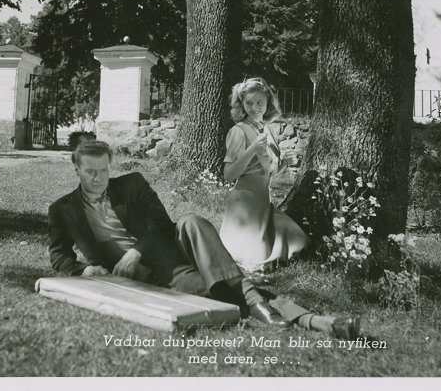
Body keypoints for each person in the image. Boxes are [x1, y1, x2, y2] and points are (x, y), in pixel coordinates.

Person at [48, 140, 360, 338]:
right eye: (90, 172)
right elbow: (59, 256)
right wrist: (84, 271)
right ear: (76, 168)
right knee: (223, 290)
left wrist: (136, 252)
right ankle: (314, 321)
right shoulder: (62, 209)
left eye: (103, 170)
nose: (98, 177)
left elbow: (160, 222)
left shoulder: (131, 184)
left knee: (191, 221)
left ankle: (277, 308)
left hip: (174, 245)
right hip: (159, 276)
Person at [221, 77, 309, 271]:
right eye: (249, 103)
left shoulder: (268, 130)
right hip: (244, 203)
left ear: (268, 102)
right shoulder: (238, 131)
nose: (254, 108)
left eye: (259, 102)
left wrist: (285, 163)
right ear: (242, 105)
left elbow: (269, 171)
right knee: (252, 261)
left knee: (298, 239)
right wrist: (252, 149)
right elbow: (228, 174)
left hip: (262, 202)